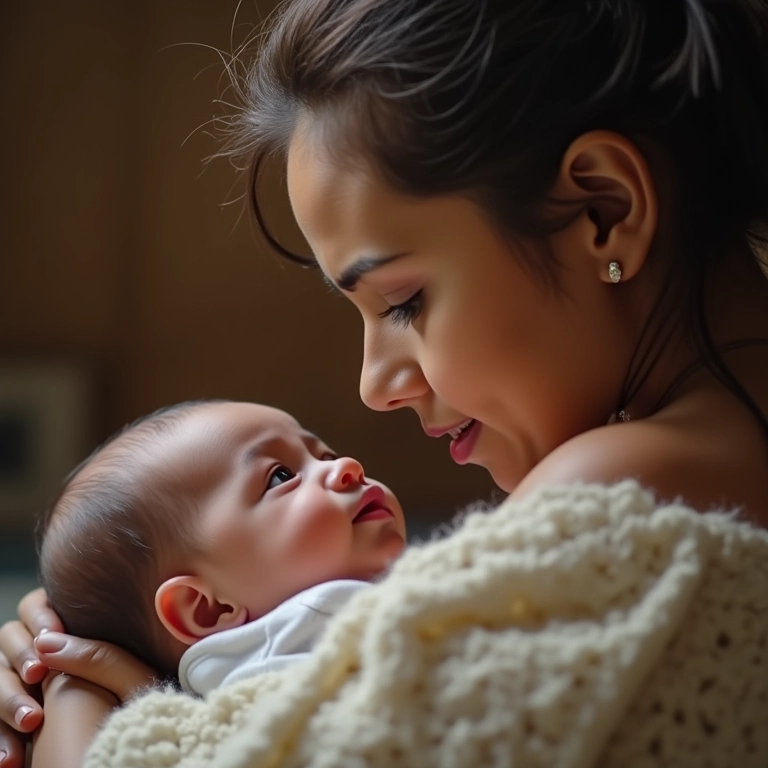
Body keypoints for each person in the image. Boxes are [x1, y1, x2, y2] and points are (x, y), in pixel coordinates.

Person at [1, 0, 767, 765]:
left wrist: (74, 692)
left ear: (605, 208)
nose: (375, 386)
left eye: (404, 302)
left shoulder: (616, 486)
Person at [38, 399, 405, 694]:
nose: (347, 465)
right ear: (207, 608)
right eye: (281, 476)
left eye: (324, 456)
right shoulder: (303, 643)